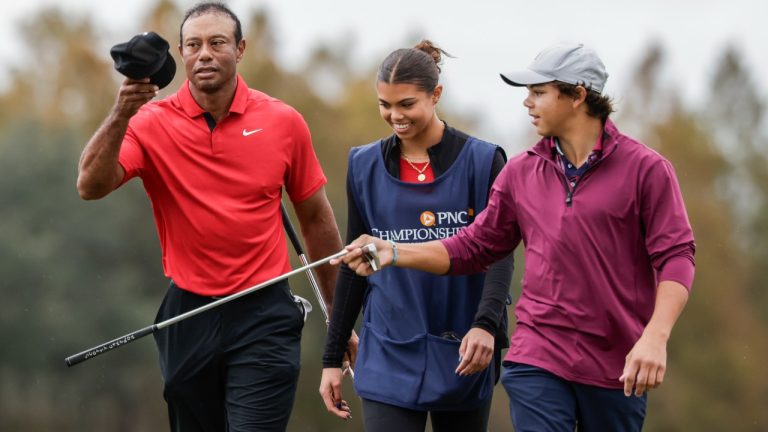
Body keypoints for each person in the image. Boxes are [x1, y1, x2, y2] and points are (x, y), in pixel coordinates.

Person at [335, 42, 695, 432]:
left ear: (577, 95)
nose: (527, 102)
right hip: (537, 358)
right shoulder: (521, 172)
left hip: (616, 364)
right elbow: (474, 247)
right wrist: (393, 252)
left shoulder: (646, 170)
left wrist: (655, 336)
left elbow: (676, 257)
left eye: (539, 92)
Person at [77, 2, 353, 431]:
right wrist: (120, 114)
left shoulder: (283, 121)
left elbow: (316, 218)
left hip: (265, 313)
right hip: (188, 312)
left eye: (217, 43)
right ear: (181, 54)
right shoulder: (149, 122)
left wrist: (338, 315)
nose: (204, 54)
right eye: (193, 45)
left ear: (240, 49)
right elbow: (90, 186)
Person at [318, 40, 514, 432]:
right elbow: (356, 265)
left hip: (465, 347)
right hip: (388, 349)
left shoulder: (484, 161)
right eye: (385, 104)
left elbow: (500, 252)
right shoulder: (363, 165)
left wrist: (486, 325)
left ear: (435, 94)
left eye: (406, 104)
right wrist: (331, 358)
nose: (395, 116)